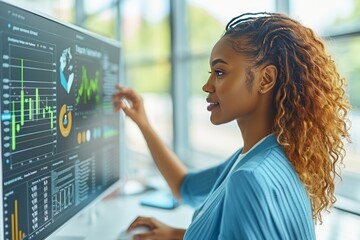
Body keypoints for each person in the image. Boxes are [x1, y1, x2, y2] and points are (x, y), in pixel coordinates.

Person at [112, 12, 351, 240]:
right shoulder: (267, 155)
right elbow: (185, 187)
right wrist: (143, 122)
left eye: (219, 72)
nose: (207, 86)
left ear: (266, 79)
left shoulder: (249, 177)